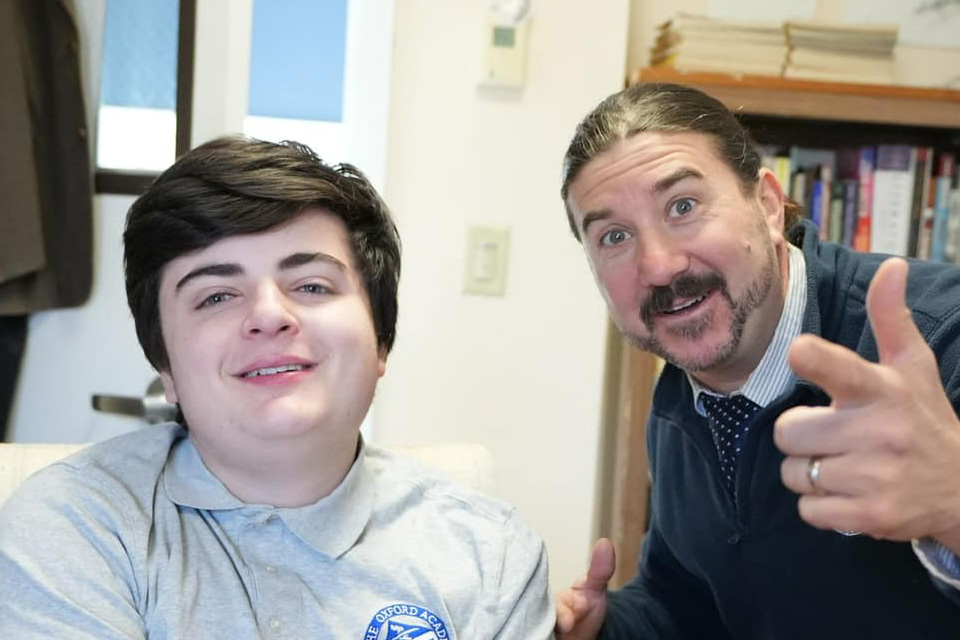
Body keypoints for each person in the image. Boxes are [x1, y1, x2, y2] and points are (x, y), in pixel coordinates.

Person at [0, 136, 556, 639]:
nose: (269, 315)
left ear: (381, 341)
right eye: (216, 296)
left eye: (312, 285)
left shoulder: (490, 555)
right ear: (165, 366)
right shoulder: (72, 526)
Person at [553, 82, 960, 639]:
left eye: (683, 206)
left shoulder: (938, 338)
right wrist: (604, 628)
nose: (659, 266)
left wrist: (954, 508)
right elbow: (685, 600)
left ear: (767, 205)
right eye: (614, 236)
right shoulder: (680, 397)